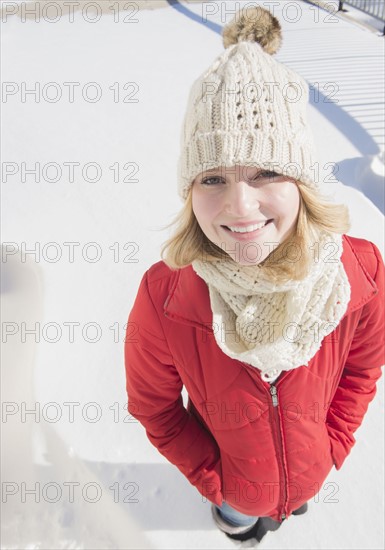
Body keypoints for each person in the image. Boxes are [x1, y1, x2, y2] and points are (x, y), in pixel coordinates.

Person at [124, 6, 385, 545]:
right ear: (189, 192)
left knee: (296, 498)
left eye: (267, 171)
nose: (240, 208)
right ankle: (240, 524)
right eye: (213, 177)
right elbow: (154, 406)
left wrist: (331, 445)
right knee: (241, 525)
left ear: (303, 183)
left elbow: (361, 369)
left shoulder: (358, 270)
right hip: (235, 490)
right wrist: (219, 484)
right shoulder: (167, 294)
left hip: (312, 470)